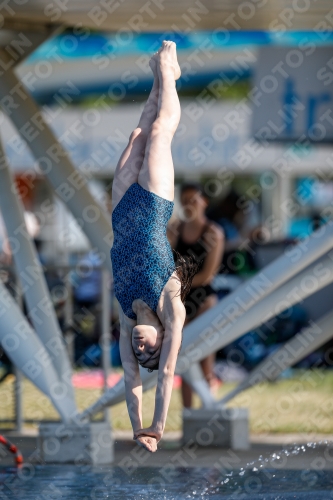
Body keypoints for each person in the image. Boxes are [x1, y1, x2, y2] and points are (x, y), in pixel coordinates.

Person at [110, 41, 197, 453]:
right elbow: (164, 376)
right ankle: (168, 66)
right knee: (161, 133)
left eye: (138, 351)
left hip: (122, 208)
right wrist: (155, 428)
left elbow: (131, 380)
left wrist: (133, 426)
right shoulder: (171, 307)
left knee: (139, 132)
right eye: (150, 352)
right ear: (162, 338)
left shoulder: (128, 317)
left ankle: (159, 77)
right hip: (155, 203)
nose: (140, 350)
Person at [168, 183, 224, 407]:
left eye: (194, 200)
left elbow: (207, 276)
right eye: (185, 200)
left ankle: (209, 408)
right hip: (180, 295)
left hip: (201, 296)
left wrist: (178, 283)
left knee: (204, 357)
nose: (189, 204)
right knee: (184, 359)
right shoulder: (174, 230)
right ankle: (189, 414)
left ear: (204, 202)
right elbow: (165, 265)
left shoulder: (213, 233)